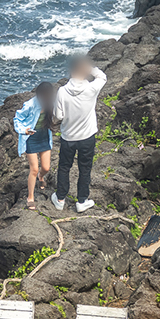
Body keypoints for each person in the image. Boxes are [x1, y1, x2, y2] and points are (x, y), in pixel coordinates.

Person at [51, 56, 107, 213]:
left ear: (70, 70)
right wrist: (91, 68)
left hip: (68, 137)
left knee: (64, 167)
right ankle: (82, 201)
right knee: (85, 168)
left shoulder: (62, 91)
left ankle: (60, 199)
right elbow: (102, 76)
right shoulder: (91, 89)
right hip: (87, 137)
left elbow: (59, 116)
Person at [13, 81, 56, 210]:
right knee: (34, 169)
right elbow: (17, 118)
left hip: (44, 138)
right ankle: (30, 197)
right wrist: (24, 130)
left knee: (46, 167)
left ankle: (41, 177)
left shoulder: (50, 103)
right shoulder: (30, 105)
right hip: (31, 139)